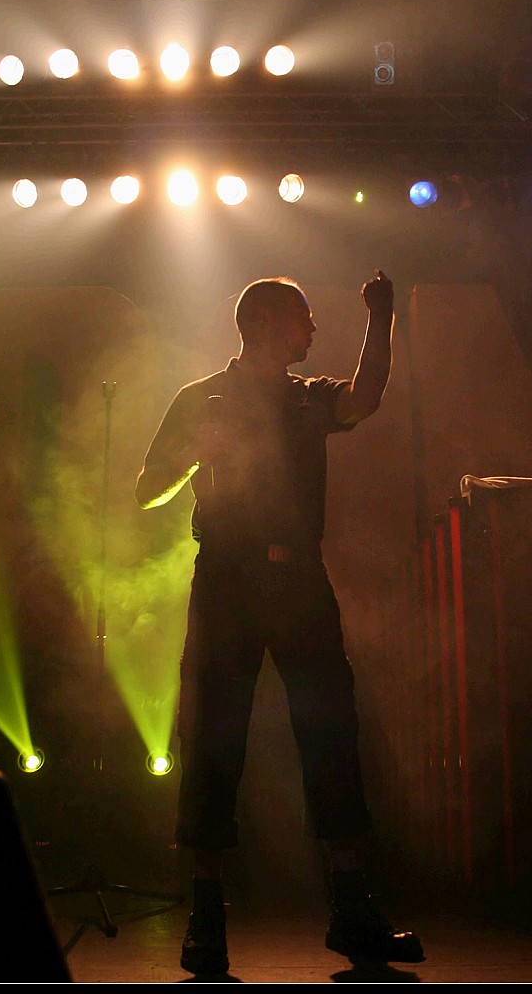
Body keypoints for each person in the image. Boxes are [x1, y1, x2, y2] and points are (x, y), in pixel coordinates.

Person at [135, 270, 424, 974]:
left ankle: (351, 909)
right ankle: (206, 918)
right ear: (263, 321)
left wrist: (380, 318)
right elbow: (146, 492)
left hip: (298, 581)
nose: (313, 328)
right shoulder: (200, 398)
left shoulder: (306, 398)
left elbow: (365, 398)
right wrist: (195, 452)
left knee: (331, 732)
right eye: (303, 317)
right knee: (212, 738)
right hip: (227, 581)